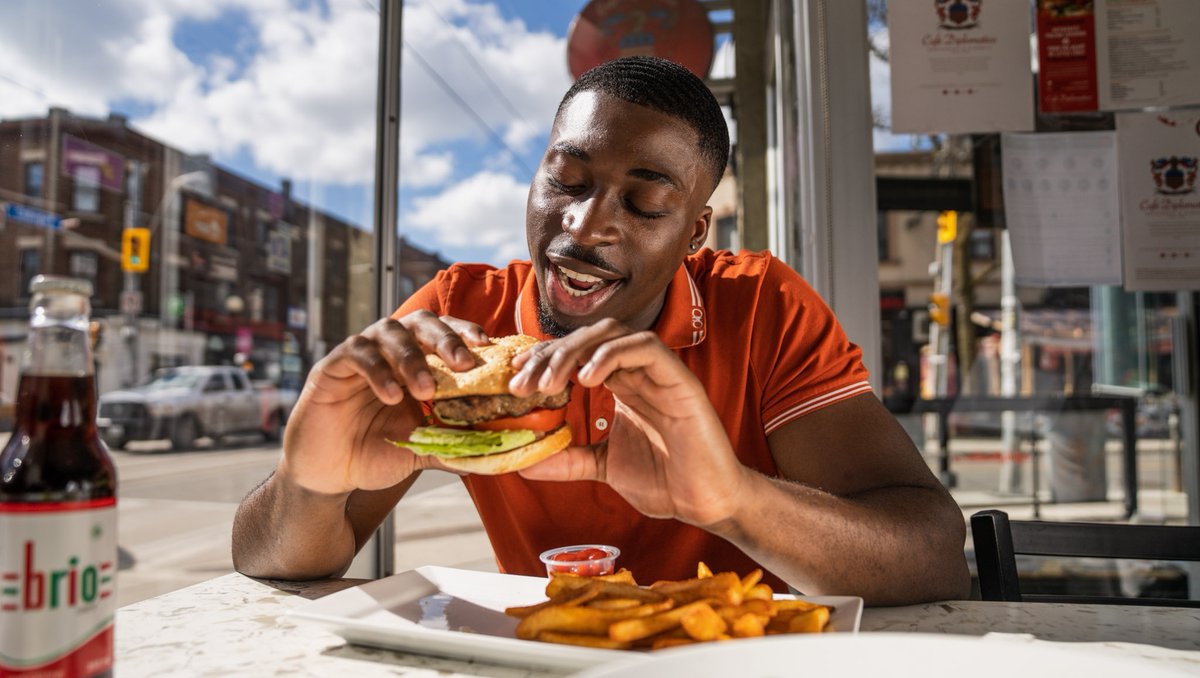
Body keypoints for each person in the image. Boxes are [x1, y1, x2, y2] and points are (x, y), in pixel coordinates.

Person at [232, 56, 970, 606]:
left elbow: (931, 555)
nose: (586, 227)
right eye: (567, 180)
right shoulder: (457, 319)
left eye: (645, 205)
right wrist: (310, 483)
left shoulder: (762, 306)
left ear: (693, 232)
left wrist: (733, 501)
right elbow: (273, 562)